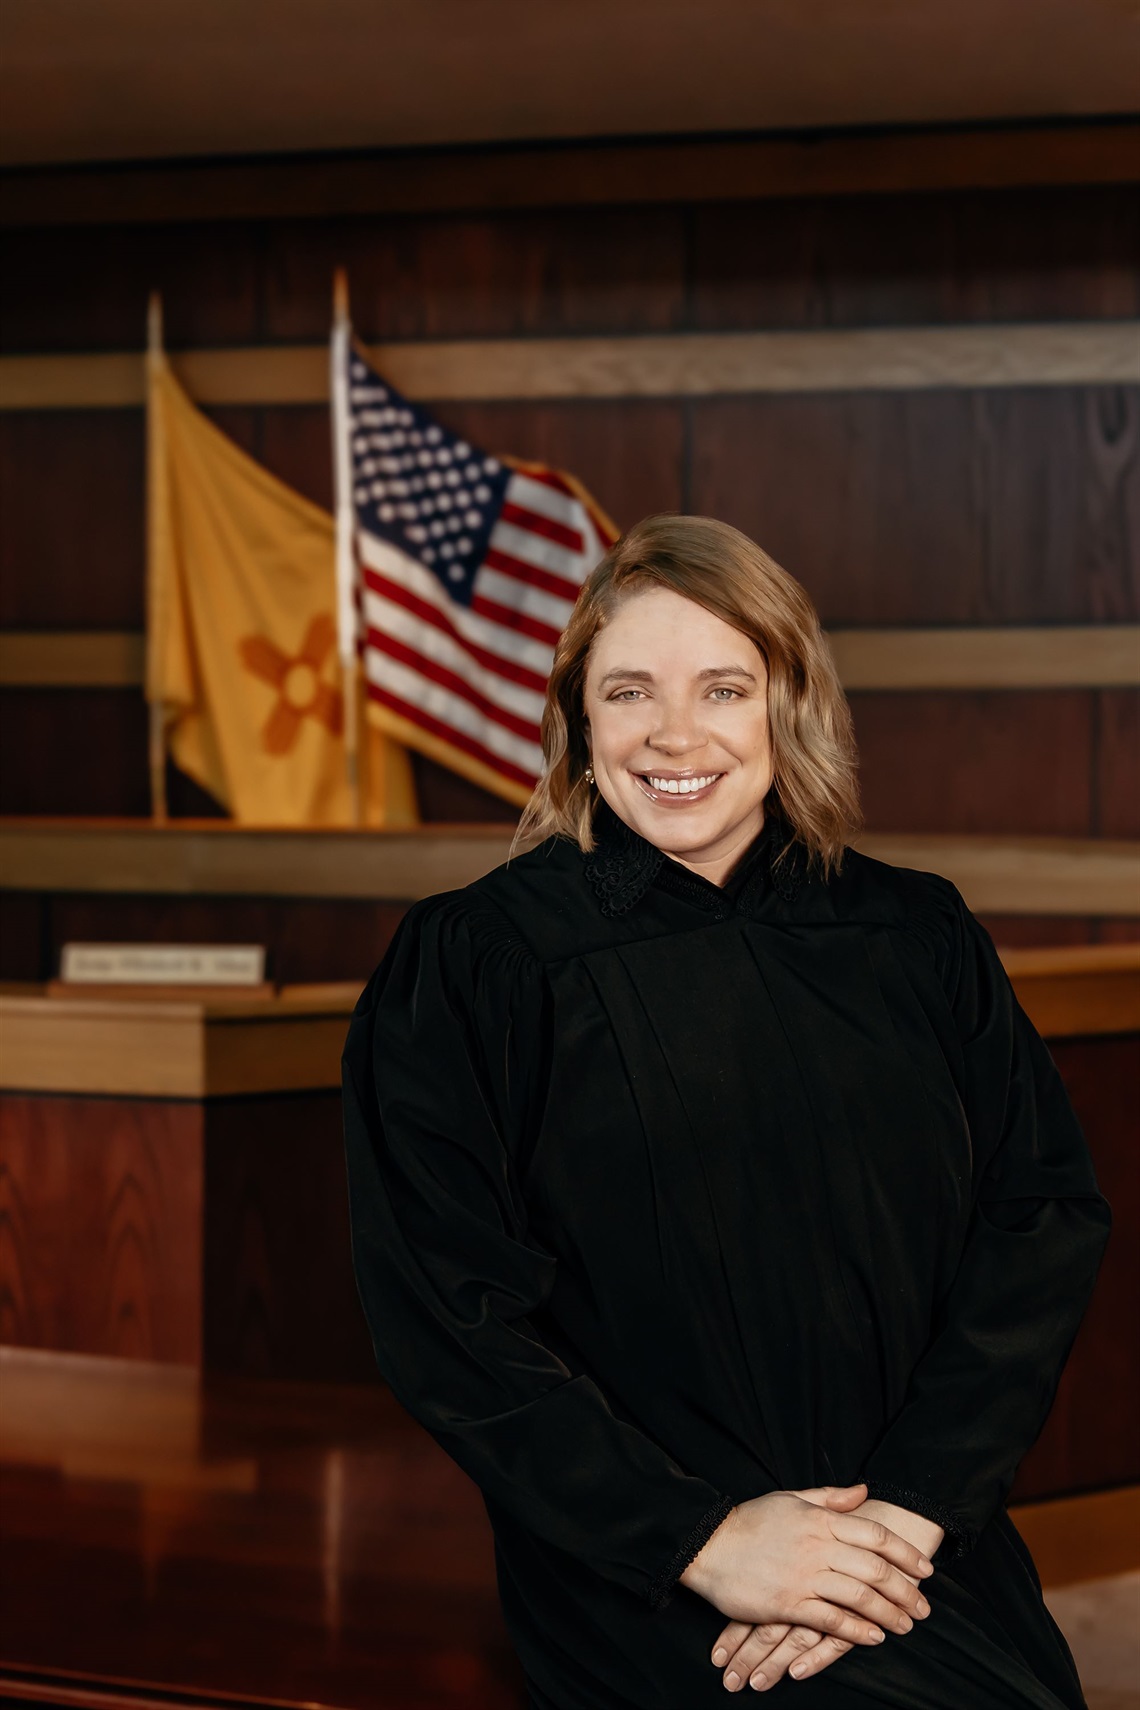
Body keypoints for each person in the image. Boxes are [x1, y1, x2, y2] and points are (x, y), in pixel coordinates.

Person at [342, 515, 1111, 1709]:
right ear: (579, 721)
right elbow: (447, 1313)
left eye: (724, 687)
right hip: (641, 1567)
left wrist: (908, 1519)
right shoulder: (481, 963)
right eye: (631, 690)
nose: (676, 734)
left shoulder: (914, 937)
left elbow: (1040, 1220)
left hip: (914, 1534)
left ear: (784, 707)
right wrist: (706, 1541)